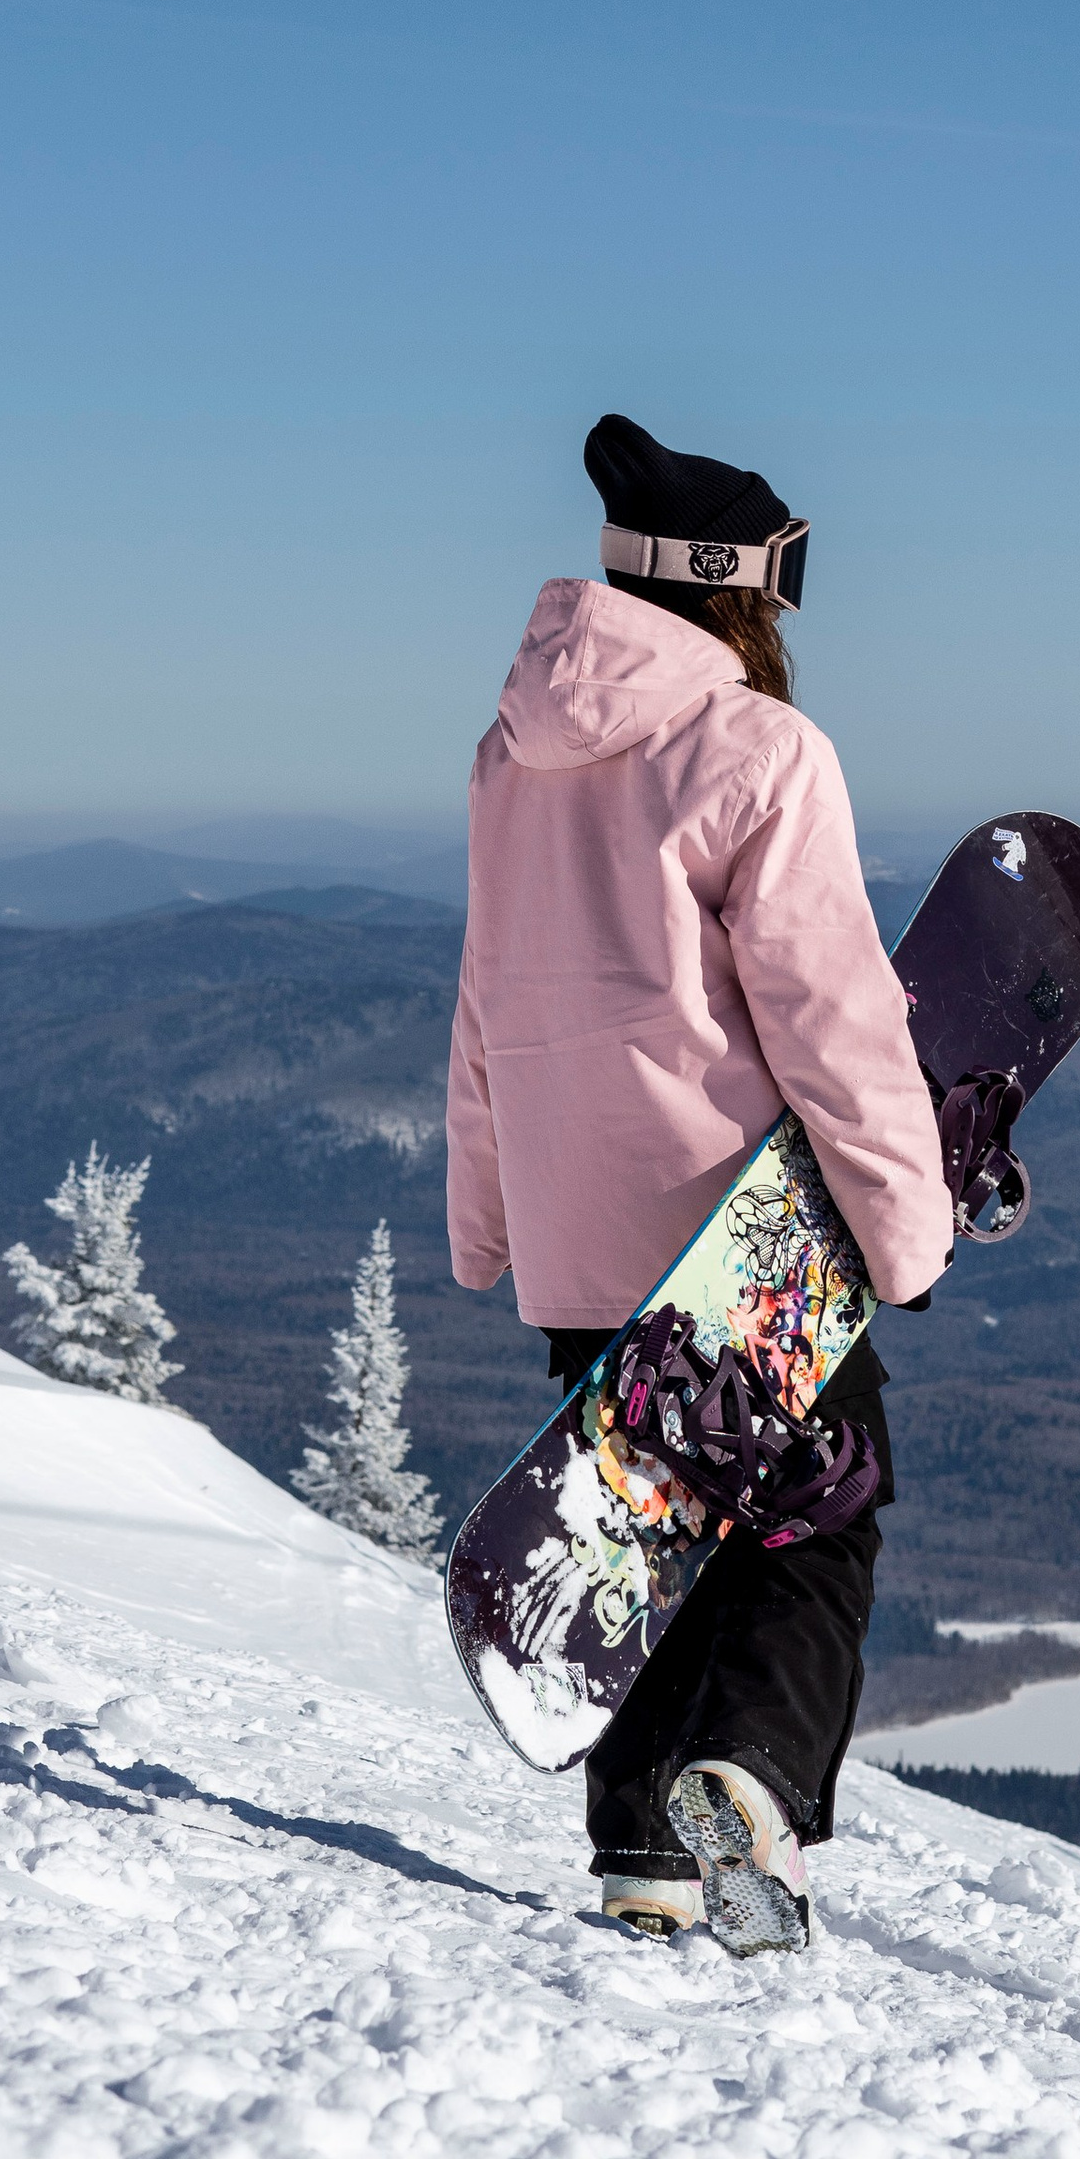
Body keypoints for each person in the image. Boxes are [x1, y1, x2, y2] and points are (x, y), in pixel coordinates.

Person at [447, 414, 954, 1954]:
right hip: (737, 1236)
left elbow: (487, 996)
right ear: (740, 591)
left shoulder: (510, 757)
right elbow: (830, 1012)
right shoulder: (762, 753)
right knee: (812, 1524)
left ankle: (643, 1860)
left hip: (579, 1234)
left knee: (634, 1527)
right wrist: (903, 1224)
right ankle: (752, 1778)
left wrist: (488, 1218)